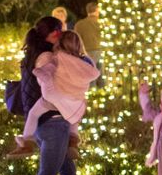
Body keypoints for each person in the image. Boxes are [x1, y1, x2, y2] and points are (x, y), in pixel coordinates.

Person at [9, 31, 100, 160]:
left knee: (34, 114)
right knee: (75, 117)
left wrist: (40, 72)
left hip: (54, 98)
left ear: (59, 43)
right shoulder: (86, 62)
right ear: (79, 45)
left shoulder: (58, 58)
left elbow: (48, 70)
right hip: (75, 98)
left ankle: (27, 142)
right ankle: (73, 142)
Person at [20, 16, 78, 175]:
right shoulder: (47, 57)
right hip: (52, 122)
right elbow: (58, 84)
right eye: (60, 31)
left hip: (42, 121)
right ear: (54, 33)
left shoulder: (35, 53)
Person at [73, 2, 100, 69]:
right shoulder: (103, 23)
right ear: (97, 10)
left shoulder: (79, 24)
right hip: (101, 51)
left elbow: (76, 40)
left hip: (86, 52)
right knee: (101, 75)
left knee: (89, 75)